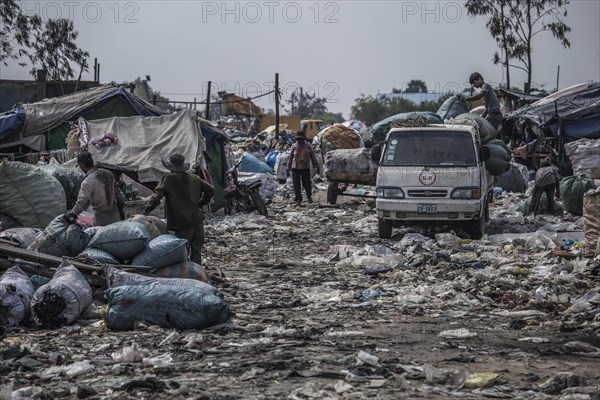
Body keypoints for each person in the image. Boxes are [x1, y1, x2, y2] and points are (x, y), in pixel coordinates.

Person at [143, 153, 214, 264]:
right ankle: (196, 274)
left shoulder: (167, 179)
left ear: (171, 167)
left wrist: (145, 211)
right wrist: (202, 202)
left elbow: (156, 198)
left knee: (183, 251)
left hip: (182, 222)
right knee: (196, 250)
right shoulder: (194, 178)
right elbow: (210, 189)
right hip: (197, 219)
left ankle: (186, 275)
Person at [64, 151, 125, 226]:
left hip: (101, 220)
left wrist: (72, 214)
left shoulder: (88, 181)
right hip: (115, 216)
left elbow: (82, 202)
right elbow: (118, 194)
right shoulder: (108, 173)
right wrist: (122, 213)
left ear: (82, 164)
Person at [287, 130, 320, 206]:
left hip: (305, 168)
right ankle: (298, 200)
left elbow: (313, 157)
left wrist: (317, 167)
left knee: (307, 184)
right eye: (298, 139)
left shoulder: (308, 146)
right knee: (296, 185)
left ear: (304, 138)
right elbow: (290, 157)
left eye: (301, 139)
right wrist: (288, 168)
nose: (299, 140)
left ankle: (309, 196)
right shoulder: (294, 146)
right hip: (295, 168)